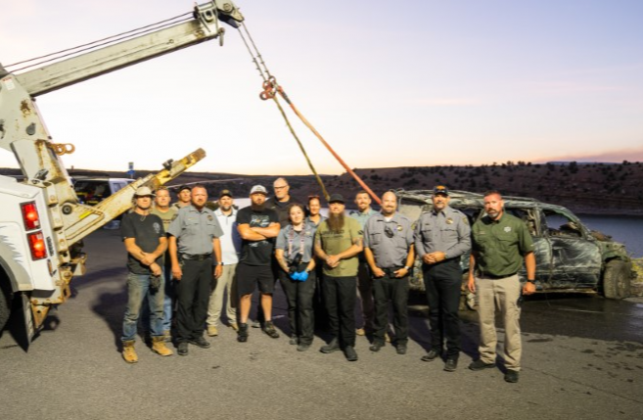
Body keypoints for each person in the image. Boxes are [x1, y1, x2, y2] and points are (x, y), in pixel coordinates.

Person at [467, 190, 536, 383]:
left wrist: (531, 281)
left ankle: (512, 365)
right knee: (485, 322)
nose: (490, 206)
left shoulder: (516, 225)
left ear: (502, 204)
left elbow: (529, 253)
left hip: (509, 281)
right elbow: (474, 252)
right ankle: (487, 357)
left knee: (510, 324)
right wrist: (471, 276)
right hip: (484, 280)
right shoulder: (479, 226)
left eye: (493, 202)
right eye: (487, 203)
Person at [414, 186, 471, 372]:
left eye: (443, 196)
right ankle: (435, 348)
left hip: (449, 269)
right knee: (434, 312)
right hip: (430, 269)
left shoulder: (458, 217)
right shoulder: (425, 218)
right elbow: (418, 240)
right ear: (432, 198)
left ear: (448, 199)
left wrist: (443, 255)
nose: (439, 198)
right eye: (437, 196)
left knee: (450, 313)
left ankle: (453, 353)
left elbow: (465, 243)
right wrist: (423, 255)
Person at [168, 185, 223, 356]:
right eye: (196, 194)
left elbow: (215, 240)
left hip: (206, 263)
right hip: (188, 263)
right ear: (191, 196)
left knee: (202, 301)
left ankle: (197, 334)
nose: (200, 197)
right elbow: (171, 239)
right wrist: (175, 264)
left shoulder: (210, 214)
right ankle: (183, 338)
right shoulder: (183, 213)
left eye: (203, 194)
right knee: (185, 301)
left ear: (206, 196)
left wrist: (219, 262)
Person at [120, 186, 173, 363]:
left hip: (156, 272)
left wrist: (153, 257)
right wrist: (151, 264)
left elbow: (163, 242)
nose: (145, 199)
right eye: (141, 197)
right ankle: (128, 346)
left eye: (148, 197)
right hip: (138, 273)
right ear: (136, 199)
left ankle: (158, 342)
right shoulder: (128, 219)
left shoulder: (155, 218)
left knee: (157, 310)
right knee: (133, 312)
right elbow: (131, 247)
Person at [364, 191, 415, 355]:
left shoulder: (405, 222)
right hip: (379, 272)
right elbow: (366, 247)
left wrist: (406, 268)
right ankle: (379, 338)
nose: (389, 204)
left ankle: (401, 340)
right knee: (380, 308)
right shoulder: (372, 222)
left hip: (399, 272)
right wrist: (373, 267)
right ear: (381, 202)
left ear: (396, 203)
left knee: (400, 309)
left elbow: (412, 247)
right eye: (386, 200)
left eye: (392, 201)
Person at [315, 194, 364, 362]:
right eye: (332, 204)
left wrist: (338, 256)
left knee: (346, 310)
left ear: (343, 207)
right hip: (328, 274)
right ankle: (335, 339)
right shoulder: (323, 225)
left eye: (339, 204)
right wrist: (325, 257)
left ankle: (348, 344)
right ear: (329, 207)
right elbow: (317, 247)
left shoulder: (352, 223)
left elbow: (358, 246)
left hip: (347, 274)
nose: (335, 207)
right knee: (331, 309)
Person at [235, 185, 281, 342]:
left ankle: (268, 323)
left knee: (267, 293)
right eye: (256, 194)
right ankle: (242, 325)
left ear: (265, 196)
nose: (259, 197)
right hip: (247, 262)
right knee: (246, 295)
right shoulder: (243, 212)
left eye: (262, 195)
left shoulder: (272, 213)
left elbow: (276, 232)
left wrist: (254, 229)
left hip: (266, 263)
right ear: (251, 196)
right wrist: (265, 232)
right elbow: (245, 234)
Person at [275, 203, 317, 351]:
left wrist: (307, 270)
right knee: (292, 304)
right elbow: (279, 254)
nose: (296, 215)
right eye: (293, 213)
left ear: (303, 214)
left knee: (305, 304)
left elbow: (316, 254)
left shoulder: (313, 230)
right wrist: (287, 269)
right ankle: (295, 333)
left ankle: (306, 337)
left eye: (299, 212)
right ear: (289, 216)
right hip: (289, 269)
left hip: (307, 267)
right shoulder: (284, 231)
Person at [206, 189, 241, 336]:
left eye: (229, 198)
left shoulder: (239, 216)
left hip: (237, 259)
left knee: (233, 293)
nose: (226, 201)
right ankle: (212, 322)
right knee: (216, 293)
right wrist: (216, 260)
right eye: (223, 199)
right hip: (219, 261)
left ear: (232, 201)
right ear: (219, 201)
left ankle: (232, 318)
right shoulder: (213, 216)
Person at [149, 186, 178, 341]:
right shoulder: (151, 214)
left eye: (165, 196)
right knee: (153, 296)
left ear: (169, 198)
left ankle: (165, 327)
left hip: (171, 261)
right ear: (156, 199)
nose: (163, 198)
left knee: (167, 296)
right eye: (160, 196)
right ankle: (151, 326)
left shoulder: (175, 214)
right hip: (155, 261)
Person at [349, 191, 377, 337]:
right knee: (365, 295)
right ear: (355, 201)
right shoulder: (352, 217)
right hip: (360, 261)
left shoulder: (377, 216)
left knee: (379, 295)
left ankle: (380, 327)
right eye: (359, 198)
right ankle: (367, 325)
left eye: (365, 198)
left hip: (376, 260)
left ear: (370, 200)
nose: (362, 200)